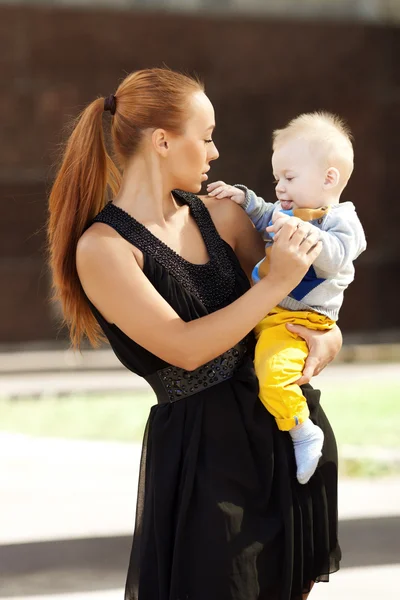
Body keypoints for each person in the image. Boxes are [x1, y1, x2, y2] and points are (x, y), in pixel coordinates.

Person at [47, 68, 343, 600]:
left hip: (287, 434)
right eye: (205, 137)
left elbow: (303, 302)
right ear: (162, 141)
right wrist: (274, 282)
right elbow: (184, 349)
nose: (215, 151)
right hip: (204, 461)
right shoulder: (105, 249)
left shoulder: (225, 215)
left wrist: (328, 340)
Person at [207, 112, 366, 486]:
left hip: (300, 321)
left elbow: (336, 257)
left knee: (274, 375)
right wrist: (244, 199)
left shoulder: (341, 221)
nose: (280, 187)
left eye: (289, 178)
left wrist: (301, 230)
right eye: (277, 178)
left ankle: (302, 430)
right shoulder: (288, 209)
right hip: (271, 309)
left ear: (329, 178)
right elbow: (266, 215)